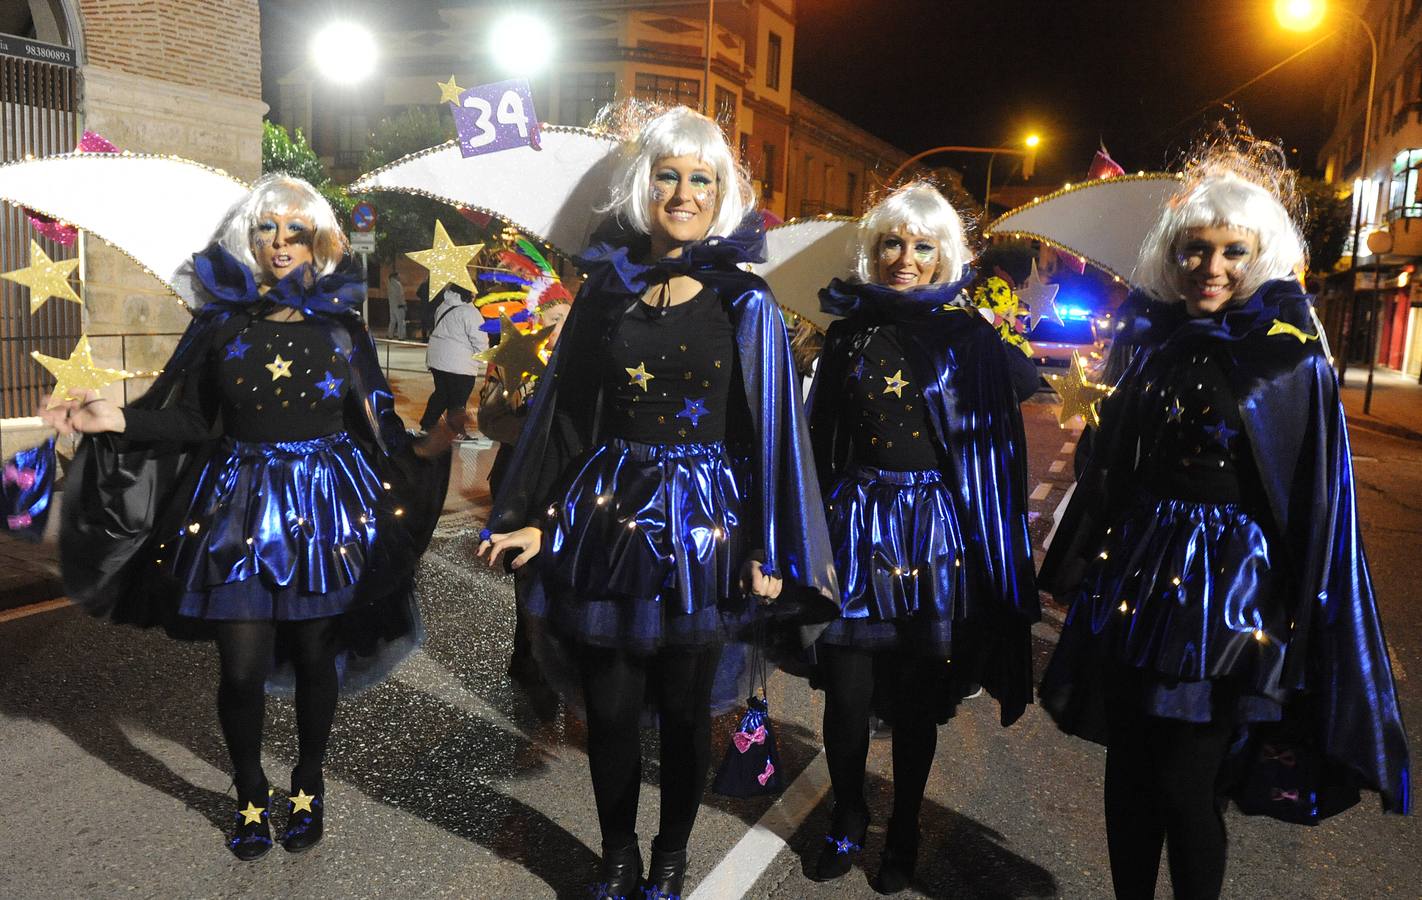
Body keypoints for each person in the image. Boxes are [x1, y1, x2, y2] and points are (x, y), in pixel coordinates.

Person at [40, 174, 456, 862]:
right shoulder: (221, 324)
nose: (281, 241)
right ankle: (250, 793)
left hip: (324, 512)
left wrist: (430, 444)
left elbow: (378, 423)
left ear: (318, 240)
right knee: (240, 668)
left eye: (297, 229)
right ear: (251, 237)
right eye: (269, 228)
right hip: (237, 510)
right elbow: (194, 421)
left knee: (319, 654)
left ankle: (308, 784)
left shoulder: (342, 329)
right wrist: (119, 415)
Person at [478, 106, 837, 900]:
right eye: (669, 175)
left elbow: (771, 436)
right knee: (608, 712)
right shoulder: (604, 291)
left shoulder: (745, 302)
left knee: (684, 714)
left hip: (705, 532)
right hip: (607, 521)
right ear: (646, 186)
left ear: (722, 194)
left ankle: (671, 856)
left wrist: (770, 547)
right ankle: (617, 855)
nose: (684, 192)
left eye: (701, 179)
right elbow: (568, 418)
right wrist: (537, 518)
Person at [1037, 145, 1410, 899]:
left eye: (1232, 252)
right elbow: (1116, 474)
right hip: (1139, 579)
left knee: (1187, 785)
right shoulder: (1150, 345)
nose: (1212, 267)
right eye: (1196, 250)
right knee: (1130, 773)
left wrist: (1304, 619)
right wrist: (1095, 424)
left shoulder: (1290, 361)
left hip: (1231, 599)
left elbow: (1314, 500)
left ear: (1259, 254)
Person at [803, 182, 1038, 892]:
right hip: (855, 524)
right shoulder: (846, 332)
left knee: (911, 701)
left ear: (946, 257)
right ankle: (848, 812)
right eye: (894, 244)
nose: (906, 258)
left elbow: (997, 447)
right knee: (844, 699)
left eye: (923, 247)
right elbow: (817, 443)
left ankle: (903, 828)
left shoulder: (969, 340)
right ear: (874, 251)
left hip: (932, 535)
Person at [419, 284, 485, 435]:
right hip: (459, 365)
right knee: (458, 400)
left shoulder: (443, 305)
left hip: (438, 360)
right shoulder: (470, 312)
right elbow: (479, 337)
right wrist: (483, 354)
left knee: (441, 394)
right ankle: (456, 432)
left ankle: (427, 426)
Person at [386, 269, 406, 339]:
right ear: (395, 276)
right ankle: (401, 336)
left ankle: (390, 335)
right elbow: (400, 295)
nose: (399, 277)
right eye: (398, 275)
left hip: (391, 305)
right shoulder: (398, 284)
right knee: (401, 321)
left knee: (392, 321)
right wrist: (403, 304)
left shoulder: (389, 284)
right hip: (399, 306)